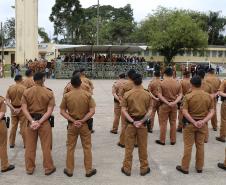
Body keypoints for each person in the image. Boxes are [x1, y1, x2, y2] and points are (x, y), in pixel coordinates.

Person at [60, 74, 97, 177]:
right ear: (81, 83)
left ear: (71, 84)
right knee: (87, 147)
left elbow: (62, 111)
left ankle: (69, 170)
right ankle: (88, 170)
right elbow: (92, 111)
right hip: (84, 125)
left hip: (72, 125)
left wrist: (73, 120)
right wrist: (82, 120)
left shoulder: (67, 96)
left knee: (70, 147)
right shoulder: (87, 95)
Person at [176, 75, 214, 174]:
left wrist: (194, 122)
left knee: (188, 146)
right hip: (202, 124)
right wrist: (203, 121)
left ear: (191, 84)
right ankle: (199, 167)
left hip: (190, 124)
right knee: (200, 146)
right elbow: (212, 111)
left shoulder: (188, 96)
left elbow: (184, 111)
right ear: (201, 84)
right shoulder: (208, 96)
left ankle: (185, 167)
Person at [21, 72, 56, 175]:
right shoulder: (49, 93)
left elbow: (24, 108)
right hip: (44, 122)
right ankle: (48, 168)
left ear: (34, 80)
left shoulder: (26, 92)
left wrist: (32, 121)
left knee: (30, 146)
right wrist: (40, 122)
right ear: (43, 79)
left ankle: (29, 168)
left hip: (30, 122)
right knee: (46, 146)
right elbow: (49, 111)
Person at [121, 73, 152, 176]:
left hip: (131, 124)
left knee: (129, 147)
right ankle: (144, 168)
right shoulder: (147, 94)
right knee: (143, 147)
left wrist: (133, 121)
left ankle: (127, 168)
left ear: (132, 81)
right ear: (141, 81)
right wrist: (142, 121)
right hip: (142, 125)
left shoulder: (127, 94)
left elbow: (124, 110)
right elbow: (150, 111)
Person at [156, 67, 182, 145]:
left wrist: (167, 102)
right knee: (173, 123)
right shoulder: (177, 83)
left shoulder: (161, 83)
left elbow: (159, 95)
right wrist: (175, 102)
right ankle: (173, 140)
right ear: (172, 74)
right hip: (174, 105)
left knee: (163, 123)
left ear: (165, 74)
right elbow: (180, 95)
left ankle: (162, 140)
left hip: (164, 105)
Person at [6, 75, 27, 148]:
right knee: (23, 127)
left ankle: (11, 143)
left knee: (13, 126)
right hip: (22, 110)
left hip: (13, 110)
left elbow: (7, 101)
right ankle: (25, 144)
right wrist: (20, 108)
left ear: (15, 80)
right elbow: (26, 101)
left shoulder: (10, 88)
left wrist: (13, 108)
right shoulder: (24, 88)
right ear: (21, 79)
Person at [117, 69, 136, 148]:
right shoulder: (137, 84)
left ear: (128, 76)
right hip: (136, 107)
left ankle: (122, 142)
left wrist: (124, 103)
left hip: (126, 107)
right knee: (136, 124)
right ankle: (135, 142)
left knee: (124, 125)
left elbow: (120, 95)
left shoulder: (125, 84)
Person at [197, 69, 214, 143]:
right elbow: (212, 95)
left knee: (195, 119)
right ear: (204, 76)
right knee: (205, 121)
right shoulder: (209, 85)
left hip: (196, 104)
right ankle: (205, 138)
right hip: (206, 104)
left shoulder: (196, 84)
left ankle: (198, 137)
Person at [0, 96, 15, 173]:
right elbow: (1, 114)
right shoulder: (1, 99)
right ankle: (4, 165)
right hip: (0, 124)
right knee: (2, 145)